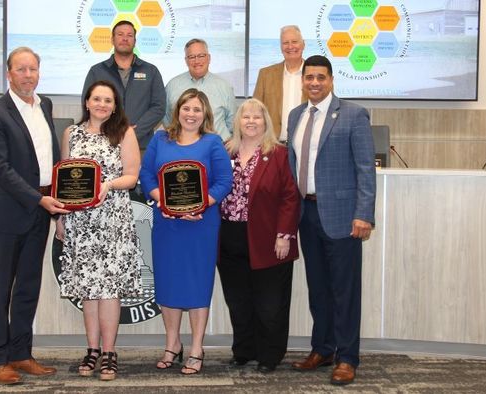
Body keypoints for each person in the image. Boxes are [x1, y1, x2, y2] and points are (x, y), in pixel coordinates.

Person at [0, 47, 69, 385]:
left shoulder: (44, 105)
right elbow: (0, 169)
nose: (28, 75)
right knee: (0, 288)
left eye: (33, 69)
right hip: (9, 215)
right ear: (9, 73)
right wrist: (39, 199)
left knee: (28, 286)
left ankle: (21, 353)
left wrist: (54, 200)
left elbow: (48, 157)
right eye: (21, 69)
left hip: (40, 210)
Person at [287, 55, 375, 386]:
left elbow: (366, 168)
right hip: (306, 214)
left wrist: (363, 214)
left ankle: (347, 357)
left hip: (342, 216)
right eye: (309, 77)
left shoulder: (353, 115)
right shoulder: (296, 116)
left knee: (344, 290)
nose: (314, 83)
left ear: (331, 80)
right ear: (303, 80)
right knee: (318, 288)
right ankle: (322, 349)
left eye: (320, 77)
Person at [138, 88, 233, 375]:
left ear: (205, 115)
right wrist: (162, 200)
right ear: (178, 110)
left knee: (197, 283)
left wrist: (200, 206)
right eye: (186, 108)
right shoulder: (159, 139)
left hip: (200, 224)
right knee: (169, 282)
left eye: (197, 109)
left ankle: (196, 348)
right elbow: (145, 175)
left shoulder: (213, 142)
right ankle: (172, 344)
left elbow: (224, 182)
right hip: (167, 222)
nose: (191, 114)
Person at [55, 80, 141, 381]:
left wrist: (107, 184)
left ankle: (109, 352)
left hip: (112, 218)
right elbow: (64, 178)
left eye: (108, 100)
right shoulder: (71, 133)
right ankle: (91, 350)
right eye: (97, 99)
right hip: (80, 221)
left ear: (115, 105)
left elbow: (131, 176)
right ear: (87, 102)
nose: (102, 104)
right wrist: (61, 218)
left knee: (108, 290)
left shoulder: (124, 133)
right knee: (87, 289)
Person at [218, 99, 301, 373]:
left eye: (257, 117)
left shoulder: (278, 153)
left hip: (268, 237)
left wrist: (284, 235)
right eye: (246, 117)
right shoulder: (225, 151)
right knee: (238, 300)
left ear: (266, 122)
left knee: (270, 303)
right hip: (229, 237)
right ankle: (244, 350)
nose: (251, 122)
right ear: (237, 122)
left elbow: (290, 196)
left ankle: (269, 355)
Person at [83, 20, 166, 149]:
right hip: (104, 143)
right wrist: (109, 130)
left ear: (135, 41)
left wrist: (133, 132)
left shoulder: (151, 71)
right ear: (112, 39)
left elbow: (159, 107)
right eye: (120, 34)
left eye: (129, 35)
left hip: (141, 145)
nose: (125, 38)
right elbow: (87, 103)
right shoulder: (97, 71)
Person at [164, 39, 236, 141]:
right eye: (192, 57)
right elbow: (167, 118)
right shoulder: (172, 86)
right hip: (182, 147)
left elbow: (232, 123)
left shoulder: (224, 86)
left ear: (209, 58)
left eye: (201, 56)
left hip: (217, 148)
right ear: (186, 60)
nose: (197, 61)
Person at [253, 25, 307, 142]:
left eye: (294, 42)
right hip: (273, 146)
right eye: (285, 43)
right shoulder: (266, 74)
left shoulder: (316, 74)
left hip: (307, 146)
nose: (290, 46)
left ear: (303, 44)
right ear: (281, 47)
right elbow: (255, 111)